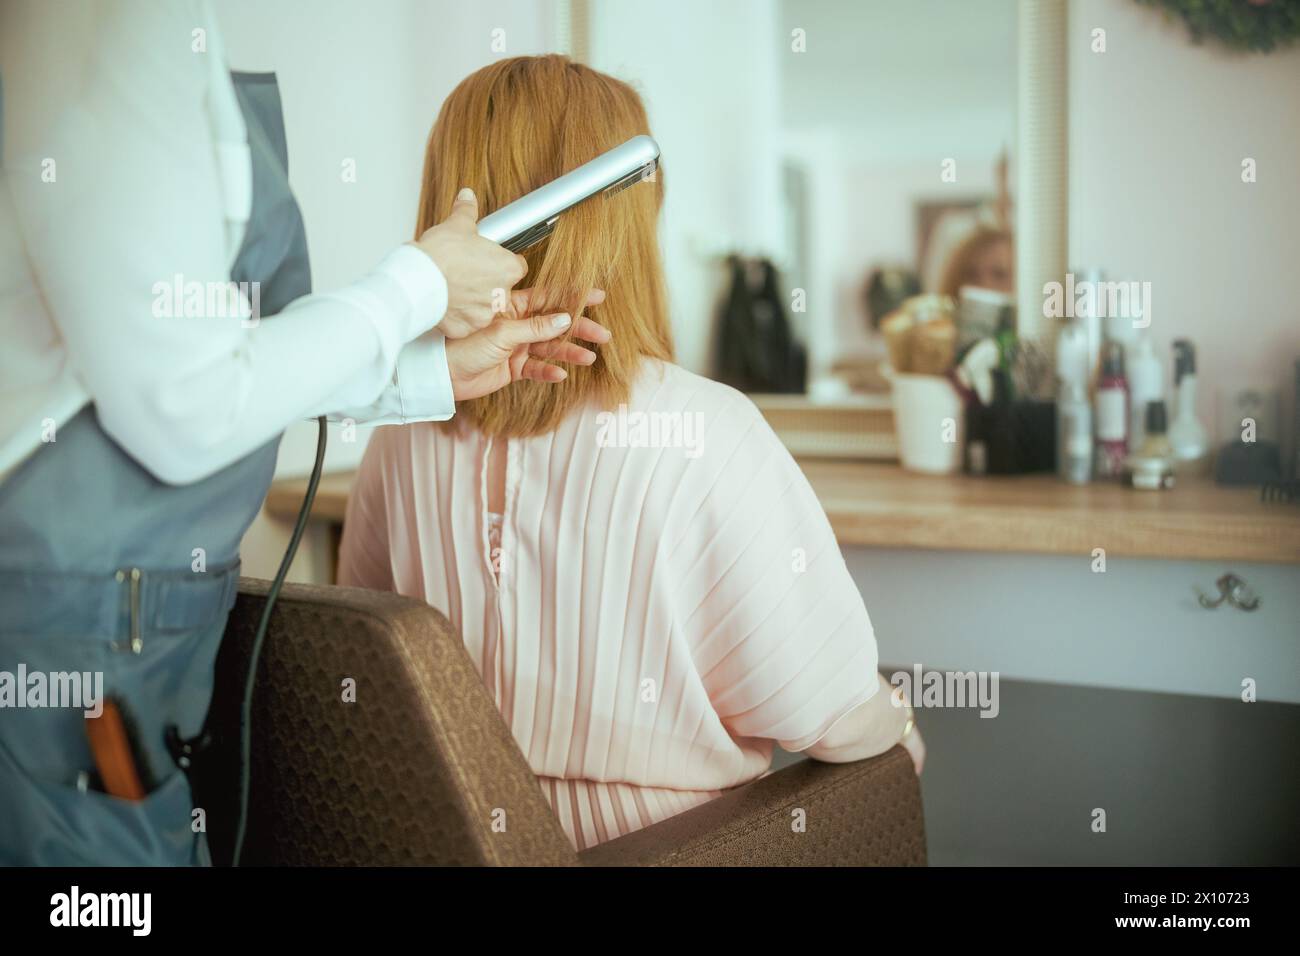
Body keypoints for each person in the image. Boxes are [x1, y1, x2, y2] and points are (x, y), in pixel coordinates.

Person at [0, 2, 610, 864]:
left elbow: (197, 363)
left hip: (133, 640)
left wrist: (425, 371)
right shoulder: (110, 21)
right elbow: (180, 405)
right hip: (69, 649)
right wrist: (417, 286)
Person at [338, 55, 924, 853]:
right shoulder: (707, 434)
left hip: (442, 839)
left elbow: (376, 670)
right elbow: (832, 718)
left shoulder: (397, 433)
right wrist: (896, 717)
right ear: (621, 220)